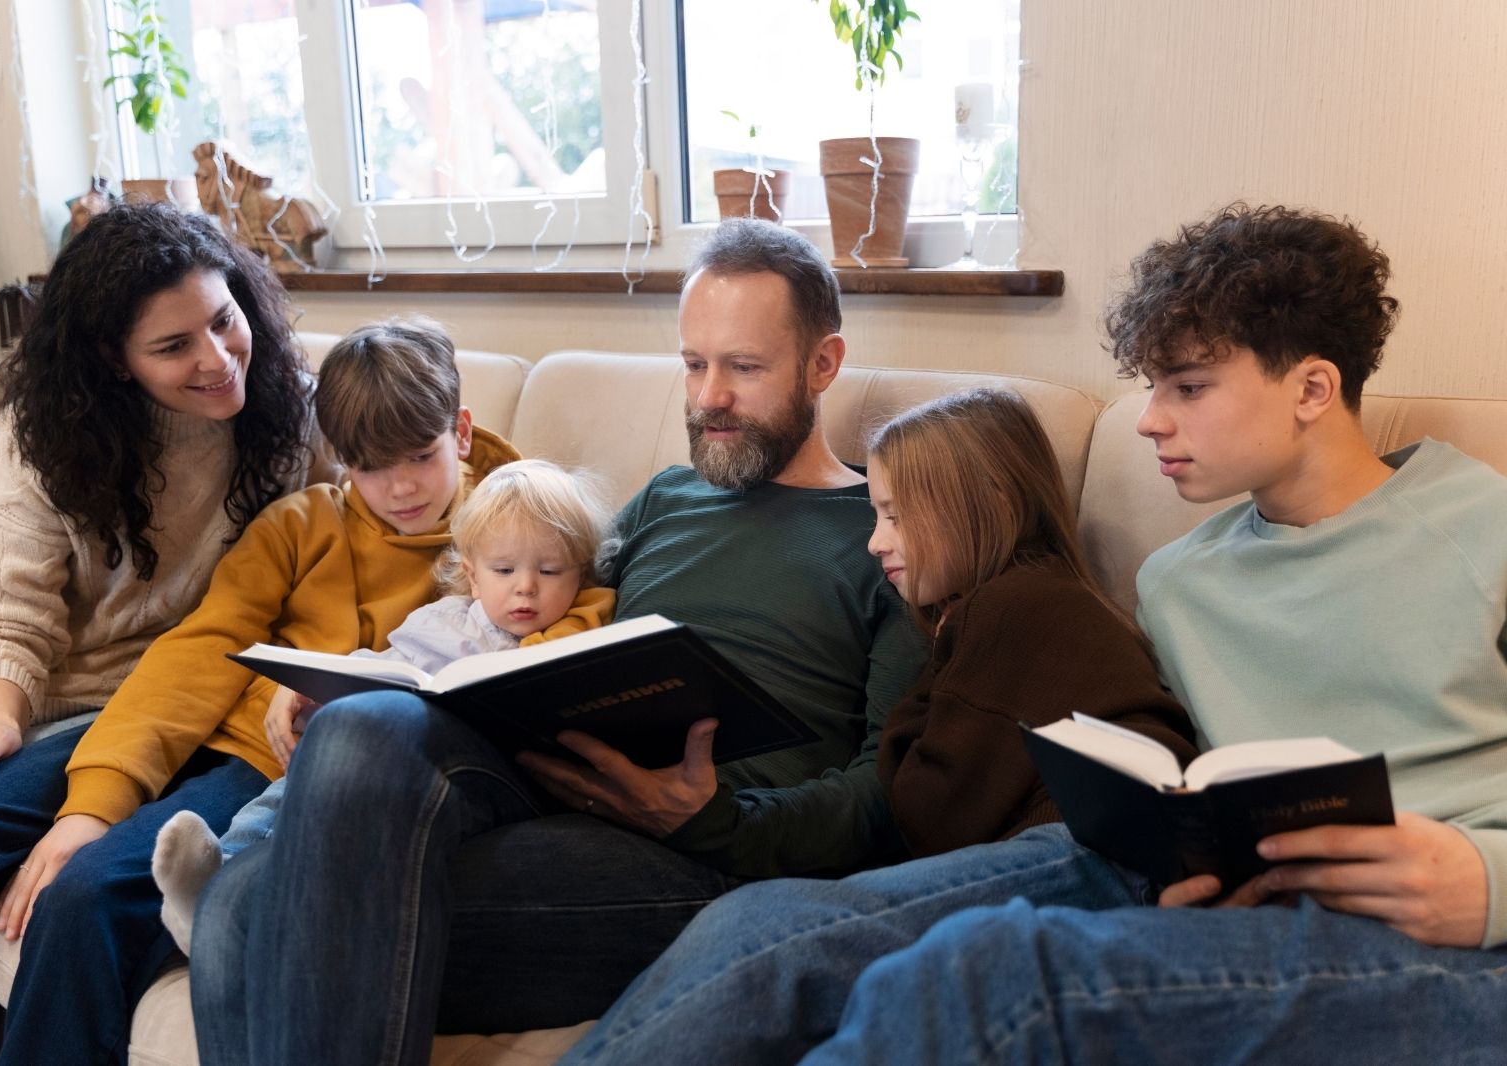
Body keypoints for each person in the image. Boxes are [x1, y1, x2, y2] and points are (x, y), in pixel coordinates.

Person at [557, 203, 1507, 1066]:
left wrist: (1488, 881)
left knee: (992, 974)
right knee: (772, 927)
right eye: (1150, 387)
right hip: (1230, 900)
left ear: (1311, 388)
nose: (1150, 420)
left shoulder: (1486, 527)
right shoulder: (1179, 582)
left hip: (1452, 942)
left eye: (1187, 387)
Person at [187, 217, 928, 1065]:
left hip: (697, 859)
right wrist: (349, 677)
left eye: (744, 368)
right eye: (693, 363)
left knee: (246, 909)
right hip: (542, 789)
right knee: (349, 739)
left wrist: (714, 820)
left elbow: (889, 793)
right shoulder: (666, 500)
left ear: (823, 365)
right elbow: (515, 599)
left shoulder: (884, 537)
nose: (707, 397)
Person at [0, 318, 520, 1066]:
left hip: (269, 769)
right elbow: (196, 654)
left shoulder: (515, 539)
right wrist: (92, 805)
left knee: (85, 898)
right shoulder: (303, 521)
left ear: (459, 431)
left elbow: (548, 651)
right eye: (366, 466)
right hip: (178, 728)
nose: (397, 489)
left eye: (420, 458)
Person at [0, 201, 322, 800]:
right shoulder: (46, 434)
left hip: (169, 700)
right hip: (38, 691)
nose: (218, 358)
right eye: (174, 345)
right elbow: (4, 614)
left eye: (224, 319)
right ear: (113, 358)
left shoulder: (295, 412)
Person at [151, 457, 618, 952]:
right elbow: (384, 665)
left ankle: (230, 896)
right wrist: (320, 690)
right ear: (473, 576)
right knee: (297, 782)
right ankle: (218, 869)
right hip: (388, 747)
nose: (526, 587)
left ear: (580, 574)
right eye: (504, 570)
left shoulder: (573, 627)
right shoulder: (445, 620)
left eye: (549, 570)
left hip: (468, 779)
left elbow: (591, 618)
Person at [865, 387, 1194, 858]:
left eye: (896, 516)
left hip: (1089, 847)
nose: (876, 542)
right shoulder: (1047, 591)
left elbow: (929, 815)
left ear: (993, 502)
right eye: (877, 516)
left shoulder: (1012, 607)